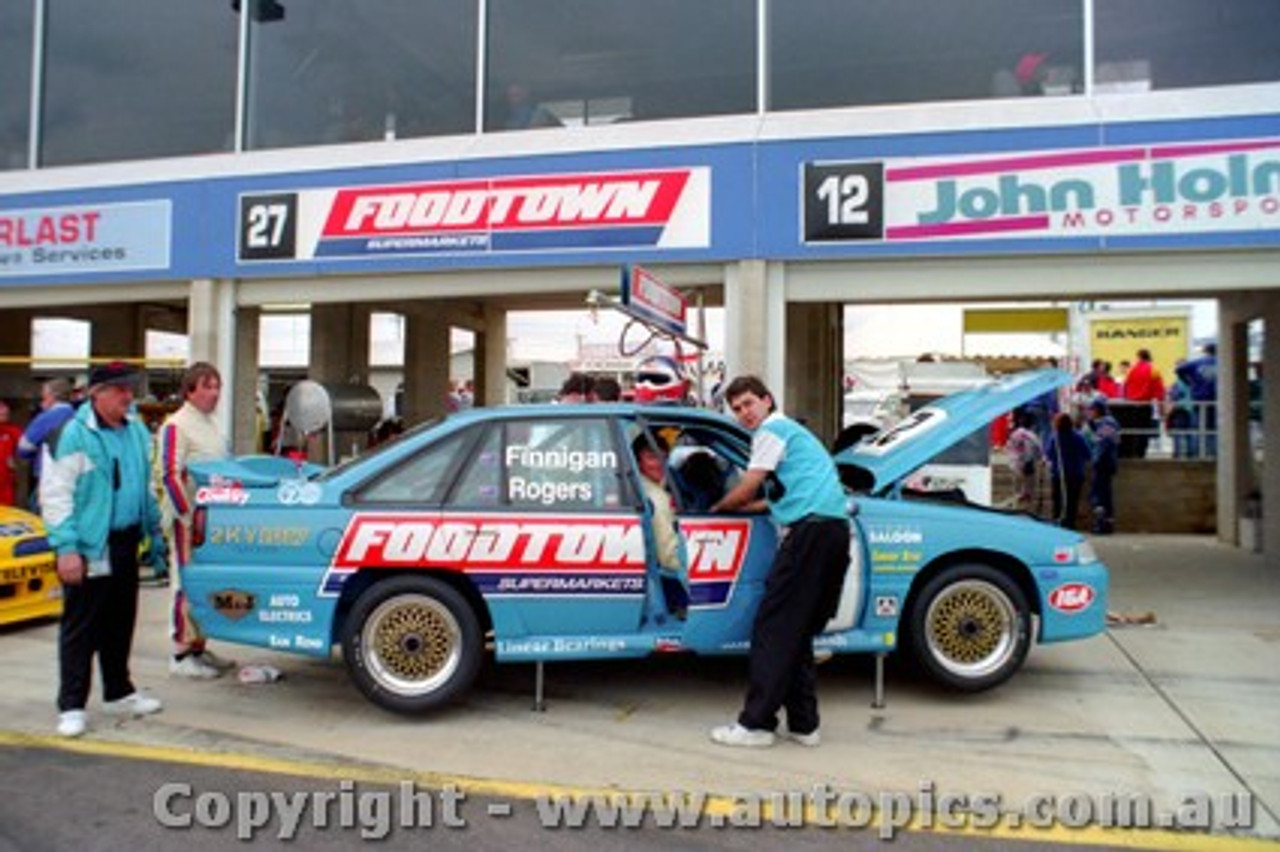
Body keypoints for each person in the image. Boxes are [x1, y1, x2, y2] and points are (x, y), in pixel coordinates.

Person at [708, 376, 849, 748]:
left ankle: (755, 726)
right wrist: (736, 506)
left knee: (773, 630)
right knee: (796, 633)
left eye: (749, 404)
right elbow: (772, 501)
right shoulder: (792, 436)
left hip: (809, 536)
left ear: (767, 401)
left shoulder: (770, 432)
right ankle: (804, 725)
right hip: (831, 533)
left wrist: (718, 508)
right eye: (737, 409)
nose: (744, 414)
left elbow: (749, 488)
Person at [41, 361, 168, 738]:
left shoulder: (135, 431)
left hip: (126, 540)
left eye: (130, 389)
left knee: (119, 620)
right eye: (119, 390)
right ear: (97, 394)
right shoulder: (75, 435)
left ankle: (118, 690)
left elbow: (145, 485)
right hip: (89, 545)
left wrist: (155, 536)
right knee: (81, 626)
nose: (128, 396)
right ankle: (72, 704)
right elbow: (56, 495)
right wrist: (66, 548)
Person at [153, 362, 237, 679]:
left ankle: (199, 646)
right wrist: (186, 517)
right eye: (208, 386)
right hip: (188, 521)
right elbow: (170, 475)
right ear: (191, 390)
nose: (215, 393)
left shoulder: (212, 424)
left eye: (218, 386)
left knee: (206, 584)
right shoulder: (177, 425)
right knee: (185, 582)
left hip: (212, 521)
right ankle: (179, 652)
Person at [632, 435, 685, 614]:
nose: (660, 463)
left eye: (664, 456)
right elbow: (669, 557)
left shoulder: (640, 487)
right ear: (637, 462)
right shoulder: (656, 497)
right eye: (652, 457)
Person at [17, 378, 76, 511]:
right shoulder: (78, 416)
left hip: (48, 478)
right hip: (73, 477)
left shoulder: (46, 418)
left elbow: (24, 447)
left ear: (51, 397)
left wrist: (29, 457)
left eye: (44, 395)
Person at [1042, 411, 1090, 530]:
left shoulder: (1055, 438)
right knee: (1072, 502)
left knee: (1058, 501)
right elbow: (1087, 454)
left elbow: (1049, 455)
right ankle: (1070, 524)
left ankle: (1058, 523)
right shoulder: (1078, 437)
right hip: (1076, 474)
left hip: (1059, 474)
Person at [1084, 398, 1121, 534]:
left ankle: (1102, 524)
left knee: (1099, 495)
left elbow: (1102, 444)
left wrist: (1095, 460)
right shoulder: (1106, 423)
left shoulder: (1107, 424)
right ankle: (1106, 523)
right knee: (1104, 495)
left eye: (1091, 410)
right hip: (1106, 463)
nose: (1089, 413)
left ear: (1097, 410)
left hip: (1103, 464)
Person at [1176, 342, 1217, 458]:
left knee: (1198, 426)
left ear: (1205, 351)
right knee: (1215, 427)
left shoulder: (1198, 362)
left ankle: (1197, 453)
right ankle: (1214, 453)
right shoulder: (1223, 362)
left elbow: (1179, 369)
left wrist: (1189, 382)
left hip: (1200, 397)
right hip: (1217, 398)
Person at [1121, 348, 1163, 458]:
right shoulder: (1154, 369)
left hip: (1132, 404)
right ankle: (1141, 453)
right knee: (1144, 429)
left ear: (1139, 356)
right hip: (1146, 404)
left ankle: (1133, 452)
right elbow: (1159, 388)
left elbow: (1125, 386)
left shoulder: (1131, 369)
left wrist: (1127, 398)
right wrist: (1160, 403)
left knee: (1133, 429)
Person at [1005, 409, 1043, 513]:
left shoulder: (1014, 434)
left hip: (1015, 463)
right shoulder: (1032, 436)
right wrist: (1041, 459)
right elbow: (1039, 449)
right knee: (1029, 482)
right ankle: (1027, 499)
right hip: (1027, 464)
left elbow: (1008, 447)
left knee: (1017, 483)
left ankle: (1018, 497)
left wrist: (1011, 459)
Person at [0, 400, 22, 506]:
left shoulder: (12, 430)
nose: (4, 413)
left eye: (6, 413)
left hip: (6, 481)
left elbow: (26, 444)